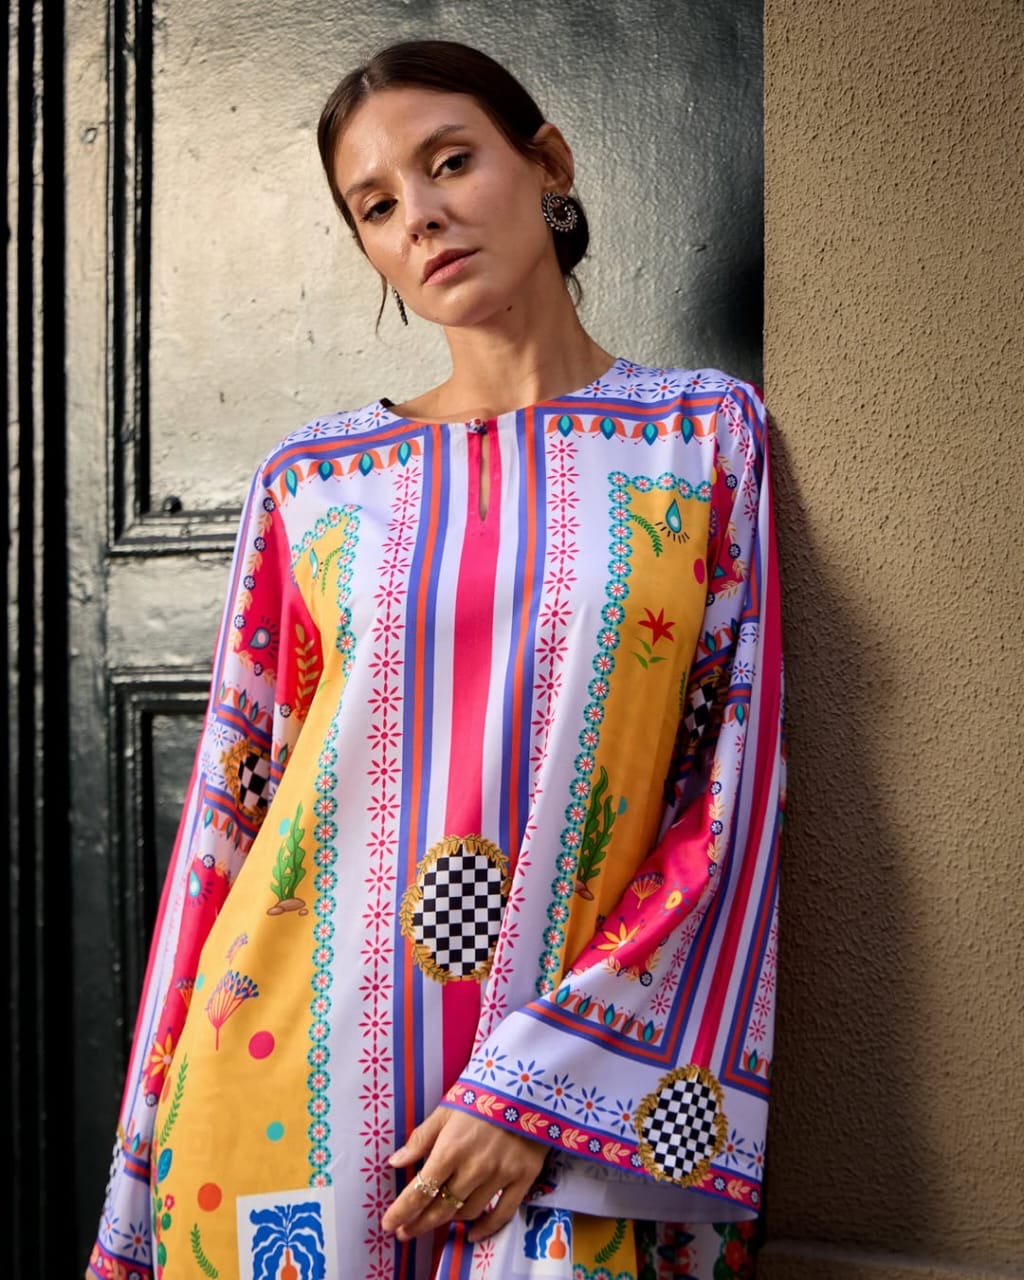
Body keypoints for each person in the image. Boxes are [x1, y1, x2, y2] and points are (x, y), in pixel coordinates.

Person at [88, 38, 784, 1280]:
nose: (418, 214)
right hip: (288, 1078)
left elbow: (727, 789)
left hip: (568, 1107)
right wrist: (147, 1126)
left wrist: (536, 1083)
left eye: (449, 162)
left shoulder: (699, 441)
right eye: (374, 204)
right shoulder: (315, 483)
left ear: (548, 164)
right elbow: (232, 809)